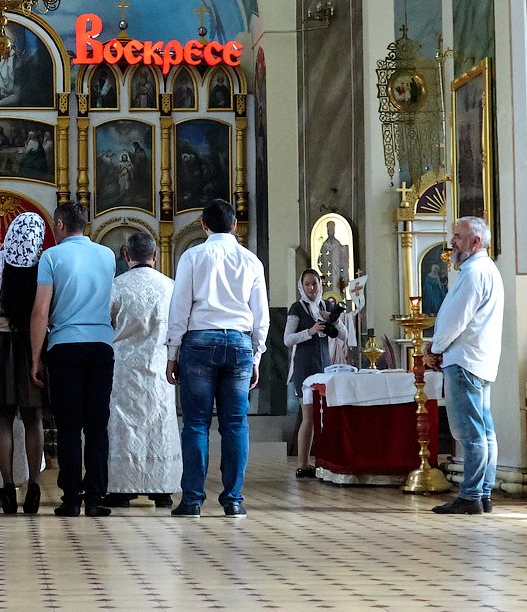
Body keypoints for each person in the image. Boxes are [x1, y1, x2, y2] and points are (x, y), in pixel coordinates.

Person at [166, 199, 267, 517]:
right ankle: (233, 501)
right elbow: (261, 315)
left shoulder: (192, 256)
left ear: (203, 225)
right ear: (235, 225)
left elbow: (179, 308)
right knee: (235, 424)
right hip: (239, 344)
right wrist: (257, 356)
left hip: (198, 343)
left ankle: (192, 501)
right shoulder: (251, 260)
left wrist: (172, 352)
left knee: (196, 424)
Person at [31, 202, 119, 516]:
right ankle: (95, 498)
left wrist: (35, 358)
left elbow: (41, 311)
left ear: (60, 225)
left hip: (65, 346)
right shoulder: (107, 255)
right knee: (97, 425)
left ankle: (71, 500)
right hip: (101, 345)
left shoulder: (51, 256)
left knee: (68, 426)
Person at [426, 216, 504, 516]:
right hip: (478, 360)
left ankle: (471, 495)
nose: (452, 242)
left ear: (475, 241)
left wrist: (434, 348)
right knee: (484, 432)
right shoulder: (486, 269)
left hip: (464, 360)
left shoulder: (474, 273)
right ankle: (483, 494)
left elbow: (455, 320)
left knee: (471, 433)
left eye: (458, 236)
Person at [0, 211, 50, 513]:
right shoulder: (43, 267)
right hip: (31, 345)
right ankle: (34, 483)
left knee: (3, 418)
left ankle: (7, 485)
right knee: (33, 418)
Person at [104, 230, 180, 507]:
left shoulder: (116, 286)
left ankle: (121, 490)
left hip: (124, 368)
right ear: (155, 255)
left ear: (126, 256)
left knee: (125, 426)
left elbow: (105, 322)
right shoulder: (170, 287)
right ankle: (162, 490)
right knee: (159, 423)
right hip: (160, 367)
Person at [286, 268, 355, 479]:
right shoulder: (297, 308)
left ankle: (325, 461)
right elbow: (287, 339)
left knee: (326, 415)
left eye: (315, 284)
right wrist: (310, 331)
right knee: (309, 417)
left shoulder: (326, 306)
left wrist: (333, 320)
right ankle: (303, 464)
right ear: (301, 286)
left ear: (320, 285)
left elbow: (344, 335)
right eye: (307, 284)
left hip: (325, 366)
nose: (311, 288)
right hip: (305, 366)